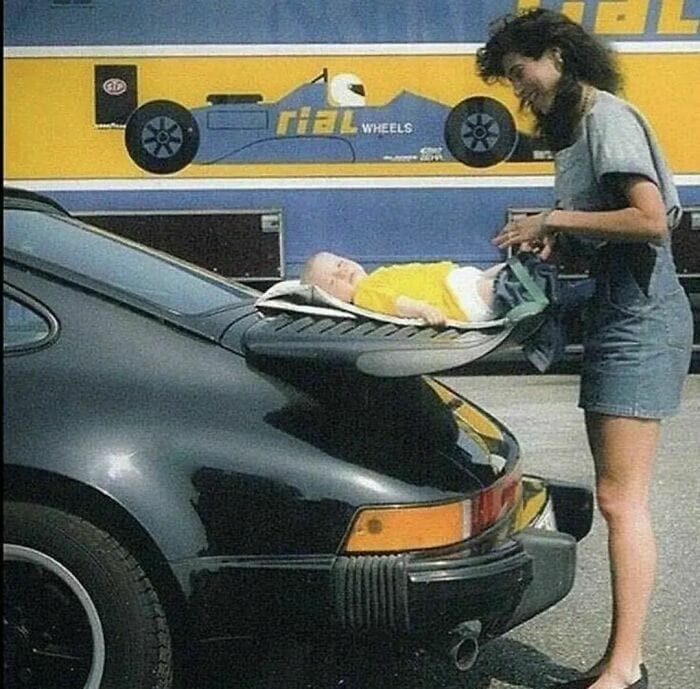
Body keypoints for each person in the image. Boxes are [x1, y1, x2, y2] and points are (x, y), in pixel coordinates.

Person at [476, 8, 692, 689]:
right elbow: (609, 225)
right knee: (614, 496)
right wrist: (560, 238)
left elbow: (650, 220)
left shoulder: (607, 118)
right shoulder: (579, 129)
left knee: (622, 500)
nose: (519, 90)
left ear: (559, 57)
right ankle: (618, 659)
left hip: (641, 317)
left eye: (520, 73)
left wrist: (553, 217)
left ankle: (625, 668)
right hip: (617, 310)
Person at [300, 251, 506, 325]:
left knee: (501, 274)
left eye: (340, 264)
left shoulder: (375, 278)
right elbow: (396, 303)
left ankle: (519, 268)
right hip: (455, 298)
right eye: (334, 282)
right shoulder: (365, 293)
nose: (343, 272)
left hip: (457, 283)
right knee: (502, 282)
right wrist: (423, 309)